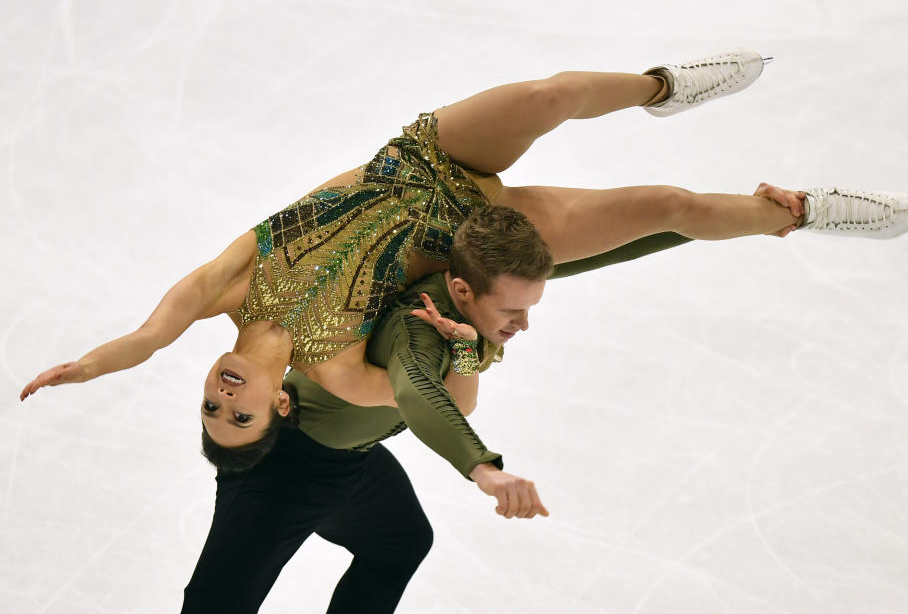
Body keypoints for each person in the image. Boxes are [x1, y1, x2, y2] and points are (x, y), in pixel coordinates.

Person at [18, 48, 908, 468]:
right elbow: (431, 397)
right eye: (239, 417)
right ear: (278, 405)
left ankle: (663, 85)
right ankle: (797, 214)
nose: (222, 395)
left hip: (415, 161)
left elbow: (145, 335)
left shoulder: (225, 289)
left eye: (209, 405)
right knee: (668, 208)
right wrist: (476, 352)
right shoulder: (336, 364)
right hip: (472, 222)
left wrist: (87, 368)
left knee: (554, 92)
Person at [181, 205, 694, 614]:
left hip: (349, 462)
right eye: (239, 417)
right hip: (283, 474)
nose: (522, 323)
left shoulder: (482, 288)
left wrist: (706, 226)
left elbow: (595, 252)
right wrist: (484, 470)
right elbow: (420, 392)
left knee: (400, 543)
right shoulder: (417, 328)